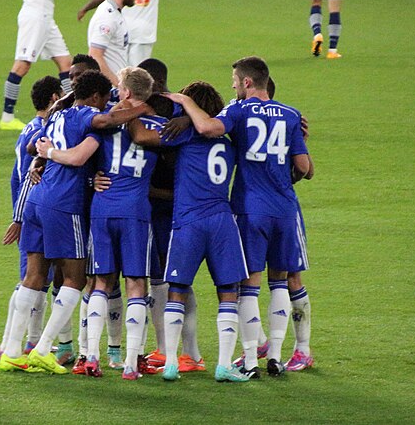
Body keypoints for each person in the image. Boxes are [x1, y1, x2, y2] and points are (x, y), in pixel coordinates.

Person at [0, 70, 151, 374]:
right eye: (106, 95)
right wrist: (142, 108)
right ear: (95, 97)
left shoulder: (57, 113)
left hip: (36, 199)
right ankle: (43, 348)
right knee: (76, 278)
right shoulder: (88, 118)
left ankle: (12, 351)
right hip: (63, 204)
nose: (110, 100)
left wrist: (43, 155)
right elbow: (101, 129)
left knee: (34, 275)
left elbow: (32, 147)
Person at [172, 56, 311, 378]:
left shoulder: (238, 111)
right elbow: (304, 167)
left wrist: (185, 101)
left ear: (247, 82)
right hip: (285, 210)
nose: (233, 85)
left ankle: (249, 359)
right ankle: (275, 354)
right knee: (280, 281)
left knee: (248, 285)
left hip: (250, 209)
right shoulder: (291, 114)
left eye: (235, 80)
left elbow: (207, 127)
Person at [37, 67, 162, 380]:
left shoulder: (103, 122)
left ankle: (90, 356)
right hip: (136, 211)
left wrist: (88, 176)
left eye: (119, 85)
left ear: (127, 92)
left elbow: (83, 154)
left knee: (100, 284)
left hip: (103, 210)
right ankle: (132, 363)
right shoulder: (158, 125)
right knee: (136, 285)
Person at [130, 80, 252, 383]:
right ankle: (224, 365)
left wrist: (128, 108)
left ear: (189, 104)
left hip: (188, 222)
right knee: (228, 294)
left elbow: (142, 137)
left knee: (177, 291)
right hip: (222, 221)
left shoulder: (182, 133)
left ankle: (171, 363)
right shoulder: (230, 137)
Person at [0, 0, 94, 131]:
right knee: (22, 66)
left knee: (65, 63)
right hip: (35, 16)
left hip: (45, 18)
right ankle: (6, 117)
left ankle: (71, 110)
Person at [0, 76, 63, 362]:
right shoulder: (42, 133)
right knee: (31, 280)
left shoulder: (29, 129)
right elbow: (26, 178)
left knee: (38, 280)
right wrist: (20, 217)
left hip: (29, 211)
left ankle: (31, 342)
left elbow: (15, 177)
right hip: (35, 213)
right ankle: (10, 344)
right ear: (53, 98)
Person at [87, 0, 143, 85]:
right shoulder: (107, 17)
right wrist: (118, 86)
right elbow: (95, 56)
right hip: (110, 90)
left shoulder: (116, 13)